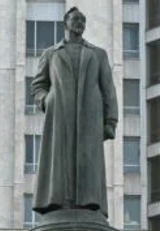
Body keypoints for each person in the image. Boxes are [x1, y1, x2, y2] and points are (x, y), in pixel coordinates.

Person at [30, 6, 119, 217]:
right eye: (75, 18)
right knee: (59, 159)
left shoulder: (97, 54)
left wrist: (111, 121)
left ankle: (88, 202)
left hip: (90, 118)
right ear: (65, 23)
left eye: (82, 19)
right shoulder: (51, 54)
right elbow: (38, 85)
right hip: (59, 116)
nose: (79, 22)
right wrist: (46, 100)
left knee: (87, 159)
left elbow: (108, 89)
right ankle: (58, 202)